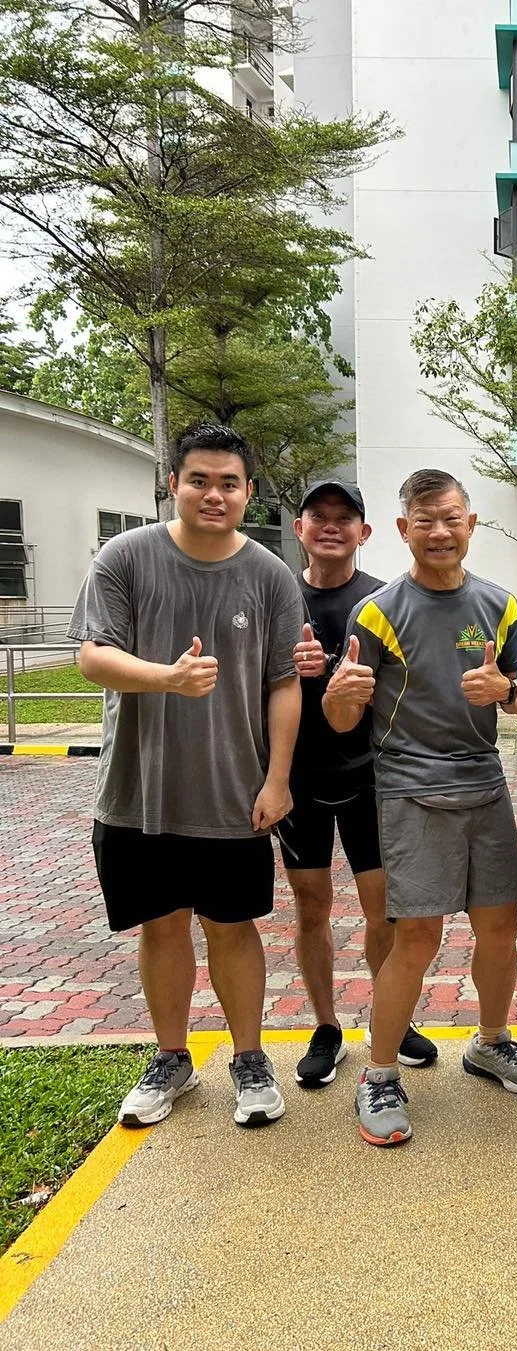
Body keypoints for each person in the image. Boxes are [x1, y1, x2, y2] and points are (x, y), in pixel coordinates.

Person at [69, 423, 303, 1129]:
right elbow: (92, 655)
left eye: (229, 483)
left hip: (234, 792)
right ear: (173, 483)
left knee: (233, 928)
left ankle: (250, 1058)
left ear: (249, 492)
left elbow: (284, 683)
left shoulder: (270, 574)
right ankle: (172, 1055)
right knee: (161, 926)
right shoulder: (125, 557)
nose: (213, 494)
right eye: (199, 479)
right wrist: (166, 678)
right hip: (139, 792)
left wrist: (278, 779)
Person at [323, 468, 517, 1146]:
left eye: (452, 518)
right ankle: (379, 1074)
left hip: (485, 782)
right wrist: (339, 696)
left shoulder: (501, 607)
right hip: (409, 787)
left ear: (471, 523)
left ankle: (491, 1041)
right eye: (425, 521)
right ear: (403, 530)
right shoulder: (378, 612)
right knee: (417, 936)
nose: (440, 532)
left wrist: (507, 688)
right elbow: (343, 720)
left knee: (501, 926)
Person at [281, 479, 437, 1088]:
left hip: (372, 774)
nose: (330, 526)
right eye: (317, 516)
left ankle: (387, 1020)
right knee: (310, 903)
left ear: (364, 533)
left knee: (383, 909)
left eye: (344, 518)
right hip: (298, 775)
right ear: (299, 528)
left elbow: (408, 687)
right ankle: (326, 1027)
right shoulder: (278, 597)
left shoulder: (382, 600)